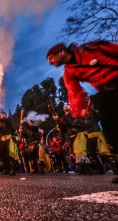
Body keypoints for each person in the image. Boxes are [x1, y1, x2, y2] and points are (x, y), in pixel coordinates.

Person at [47, 40, 118, 182]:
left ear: (61, 52)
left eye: (51, 58)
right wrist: (80, 110)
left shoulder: (91, 48)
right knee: (112, 129)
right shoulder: (69, 73)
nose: (51, 62)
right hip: (105, 93)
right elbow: (74, 93)